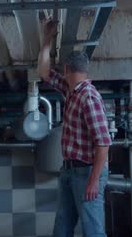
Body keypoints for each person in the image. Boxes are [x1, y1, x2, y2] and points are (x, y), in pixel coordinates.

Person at [38, 19, 111, 237]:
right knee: (62, 226)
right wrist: (47, 38)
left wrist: (93, 181)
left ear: (67, 69)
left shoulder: (88, 97)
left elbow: (104, 143)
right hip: (70, 170)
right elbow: (44, 72)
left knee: (93, 230)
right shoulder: (72, 91)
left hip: (87, 172)